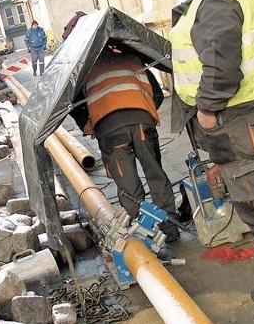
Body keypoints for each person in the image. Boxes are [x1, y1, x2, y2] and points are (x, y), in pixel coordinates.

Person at [162, 0, 254, 324]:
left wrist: (208, 110)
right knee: (251, 199)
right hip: (251, 114)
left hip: (241, 116)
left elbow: (222, 66)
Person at [71, 44, 180, 242]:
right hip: (142, 123)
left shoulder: (83, 71)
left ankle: (142, 233)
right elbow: (156, 94)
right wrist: (144, 111)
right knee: (155, 172)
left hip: (110, 129)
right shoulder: (132, 58)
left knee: (128, 184)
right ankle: (169, 226)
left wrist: (92, 125)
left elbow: (74, 106)